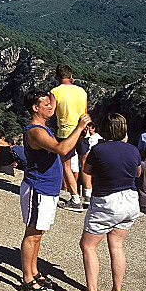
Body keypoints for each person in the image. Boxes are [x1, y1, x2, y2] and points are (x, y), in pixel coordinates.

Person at [17, 89, 90, 291]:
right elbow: (62, 148)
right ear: (35, 108)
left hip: (47, 188)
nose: (51, 107)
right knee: (32, 234)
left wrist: (59, 94)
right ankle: (27, 280)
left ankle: (33, 270)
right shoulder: (35, 132)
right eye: (46, 105)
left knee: (39, 233)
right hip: (38, 187)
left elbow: (54, 104)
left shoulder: (44, 126)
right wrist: (79, 127)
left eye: (51, 104)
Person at [65, 113, 141, 291]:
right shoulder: (133, 150)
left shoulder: (99, 150)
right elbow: (138, 173)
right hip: (130, 200)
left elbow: (87, 171)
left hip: (107, 200)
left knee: (88, 246)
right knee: (116, 245)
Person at [51, 64, 88, 212]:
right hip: (83, 131)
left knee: (66, 166)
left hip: (66, 133)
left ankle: (75, 199)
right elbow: (85, 112)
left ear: (57, 77)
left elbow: (51, 112)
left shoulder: (55, 92)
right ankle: (89, 196)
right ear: (71, 76)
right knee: (84, 162)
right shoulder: (81, 91)